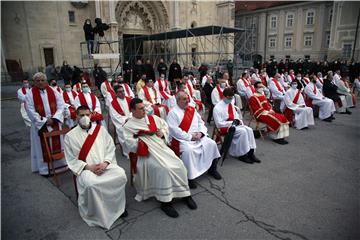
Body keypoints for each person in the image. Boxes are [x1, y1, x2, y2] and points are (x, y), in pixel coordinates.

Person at [123, 98, 197, 218]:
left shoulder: (153, 118)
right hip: (146, 152)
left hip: (161, 148)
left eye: (144, 108)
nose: (144, 111)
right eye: (140, 109)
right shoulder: (128, 125)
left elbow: (165, 126)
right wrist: (141, 140)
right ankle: (165, 202)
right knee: (164, 168)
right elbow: (127, 142)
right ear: (132, 110)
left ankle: (185, 195)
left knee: (179, 164)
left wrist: (162, 133)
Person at [64, 105, 127, 230]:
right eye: (81, 115)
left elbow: (110, 147)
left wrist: (106, 163)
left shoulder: (101, 130)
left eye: (87, 115)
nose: (85, 118)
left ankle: (117, 207)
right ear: (76, 116)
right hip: (86, 169)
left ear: (91, 115)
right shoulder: (70, 136)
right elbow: (70, 158)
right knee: (91, 184)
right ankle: (98, 212)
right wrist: (88, 167)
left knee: (121, 174)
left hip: (104, 165)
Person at [167, 91, 222, 188]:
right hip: (183, 139)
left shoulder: (192, 110)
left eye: (187, 98)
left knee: (212, 143)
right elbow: (175, 131)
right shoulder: (172, 113)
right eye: (184, 99)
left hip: (198, 136)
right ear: (177, 100)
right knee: (189, 151)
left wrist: (201, 133)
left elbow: (201, 123)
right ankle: (190, 177)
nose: (187, 100)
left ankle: (212, 169)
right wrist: (191, 137)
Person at [25, 72, 66, 175]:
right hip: (40, 126)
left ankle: (61, 166)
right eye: (37, 81)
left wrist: (55, 118)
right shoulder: (30, 94)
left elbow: (61, 105)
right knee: (42, 146)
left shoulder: (54, 91)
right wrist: (43, 121)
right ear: (34, 82)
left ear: (46, 81)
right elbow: (30, 110)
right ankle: (45, 169)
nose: (40, 82)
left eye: (42, 80)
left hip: (55, 123)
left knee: (58, 144)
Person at [213, 88, 260, 163]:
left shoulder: (230, 104)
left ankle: (251, 153)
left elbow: (236, 116)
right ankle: (242, 154)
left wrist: (238, 121)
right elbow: (218, 123)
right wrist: (232, 123)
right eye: (229, 98)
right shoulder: (217, 108)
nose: (231, 100)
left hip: (234, 124)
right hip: (225, 127)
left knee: (249, 130)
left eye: (232, 98)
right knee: (243, 132)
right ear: (224, 96)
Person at [109, 85, 132, 157]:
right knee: (124, 133)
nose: (122, 93)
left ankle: (136, 150)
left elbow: (134, 110)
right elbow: (115, 116)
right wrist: (126, 120)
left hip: (132, 120)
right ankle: (127, 152)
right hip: (121, 123)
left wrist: (130, 118)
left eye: (123, 91)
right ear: (116, 94)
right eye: (120, 92)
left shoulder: (129, 100)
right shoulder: (113, 103)